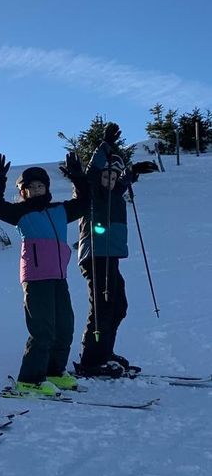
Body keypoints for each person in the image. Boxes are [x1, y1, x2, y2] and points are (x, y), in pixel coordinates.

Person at [0, 152, 88, 396]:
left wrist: (77, 175)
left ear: (47, 188)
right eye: (29, 187)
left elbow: (85, 202)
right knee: (43, 329)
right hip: (36, 277)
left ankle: (53, 372)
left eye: (40, 185)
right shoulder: (21, 213)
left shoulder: (60, 210)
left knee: (65, 327)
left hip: (58, 276)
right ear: (23, 192)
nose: (36, 190)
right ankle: (30, 380)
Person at [74, 123, 158, 378]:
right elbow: (93, 171)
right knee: (102, 306)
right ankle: (90, 361)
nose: (109, 181)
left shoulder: (116, 193)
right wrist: (105, 145)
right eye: (106, 176)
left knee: (118, 305)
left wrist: (133, 172)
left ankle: (104, 353)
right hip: (95, 256)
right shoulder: (93, 193)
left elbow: (122, 182)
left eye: (113, 177)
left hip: (111, 256)